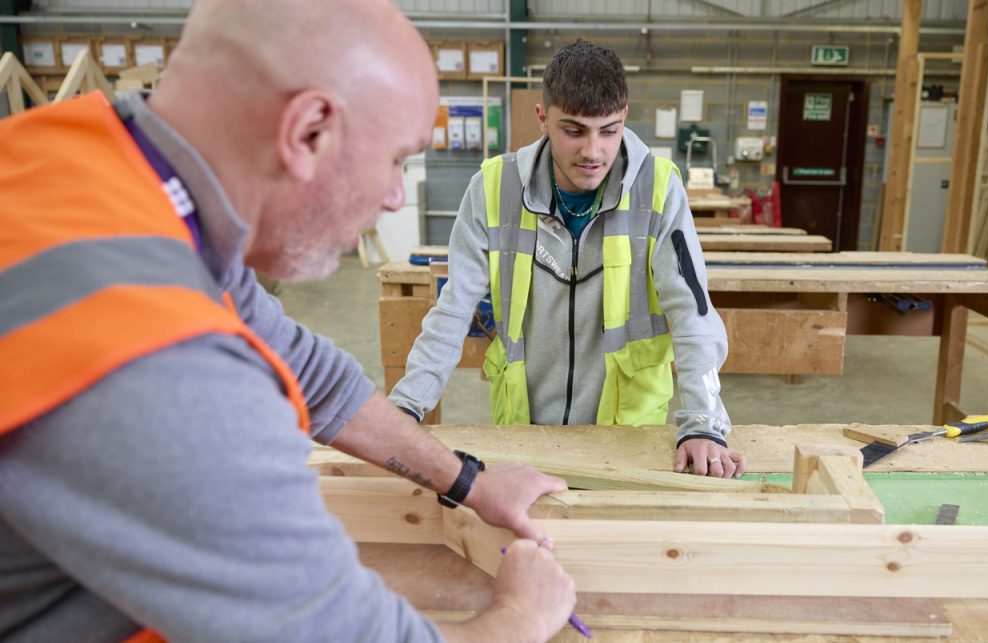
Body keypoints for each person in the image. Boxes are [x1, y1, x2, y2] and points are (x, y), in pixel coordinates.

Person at [0, 1, 577, 641]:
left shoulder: (91, 170)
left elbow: (311, 373)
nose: (393, 196)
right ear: (307, 132)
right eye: (394, 159)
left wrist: (469, 481)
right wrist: (523, 615)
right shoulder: (162, 376)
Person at [389, 40, 748, 478]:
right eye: (574, 131)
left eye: (609, 130)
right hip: (524, 433)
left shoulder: (658, 189)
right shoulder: (493, 189)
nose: (593, 151)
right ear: (542, 118)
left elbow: (693, 313)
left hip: (628, 438)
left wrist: (704, 425)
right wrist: (406, 408)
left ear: (625, 117)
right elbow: (453, 309)